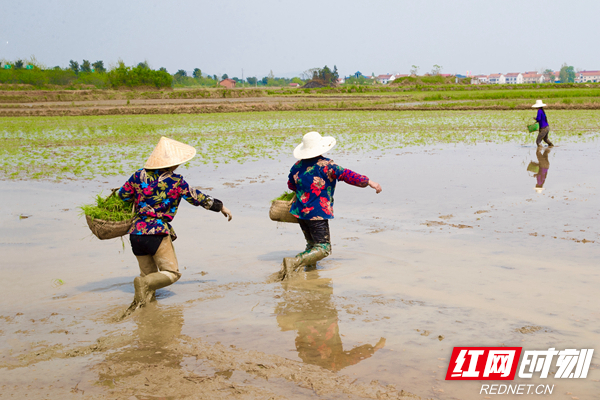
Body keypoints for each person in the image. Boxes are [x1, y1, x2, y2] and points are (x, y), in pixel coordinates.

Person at [118, 136, 232, 315]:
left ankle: (147, 316)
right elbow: (197, 198)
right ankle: (145, 285)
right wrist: (221, 207)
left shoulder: (137, 175)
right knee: (171, 273)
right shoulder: (176, 181)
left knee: (148, 277)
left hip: (136, 233)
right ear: (173, 163)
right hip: (157, 232)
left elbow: (122, 196)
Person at [282, 131, 382, 277]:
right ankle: (295, 262)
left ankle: (311, 274)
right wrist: (369, 182)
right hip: (317, 214)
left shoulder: (296, 166)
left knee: (311, 245)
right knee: (323, 248)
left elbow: (291, 185)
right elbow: (347, 175)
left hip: (301, 213)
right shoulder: (327, 166)